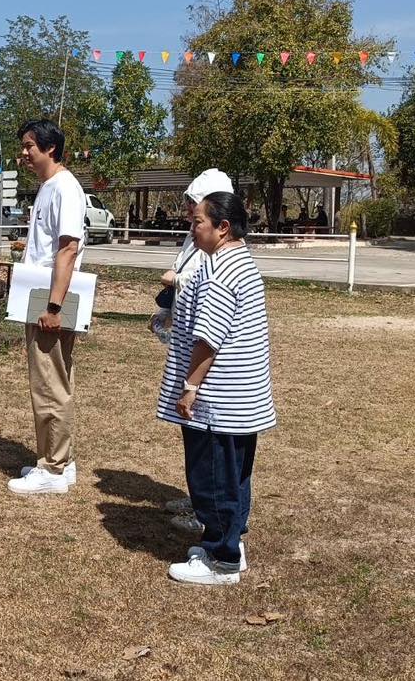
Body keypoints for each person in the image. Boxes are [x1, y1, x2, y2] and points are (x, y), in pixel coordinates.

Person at [157, 191, 276, 585]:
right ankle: (229, 543)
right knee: (234, 476)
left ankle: (221, 559)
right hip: (240, 399)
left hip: (218, 401)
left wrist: (190, 386)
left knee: (212, 477)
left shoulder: (219, 273)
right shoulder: (240, 262)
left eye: (198, 222)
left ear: (223, 227)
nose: (192, 228)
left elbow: (208, 339)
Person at [152, 169, 234, 535]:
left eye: (195, 205)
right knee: (196, 438)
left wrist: (176, 280)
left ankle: (209, 516)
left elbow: (205, 287)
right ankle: (199, 499)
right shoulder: (196, 237)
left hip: (207, 365)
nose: (189, 212)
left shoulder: (221, 251)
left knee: (210, 442)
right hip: (189, 344)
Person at [8, 119, 87, 495]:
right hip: (40, 292)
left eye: (29, 146)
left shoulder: (65, 188)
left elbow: (68, 248)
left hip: (51, 297)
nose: (23, 153)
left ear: (50, 148)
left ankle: (53, 469)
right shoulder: (48, 187)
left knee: (49, 382)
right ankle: (60, 460)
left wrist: (54, 307)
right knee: (51, 379)